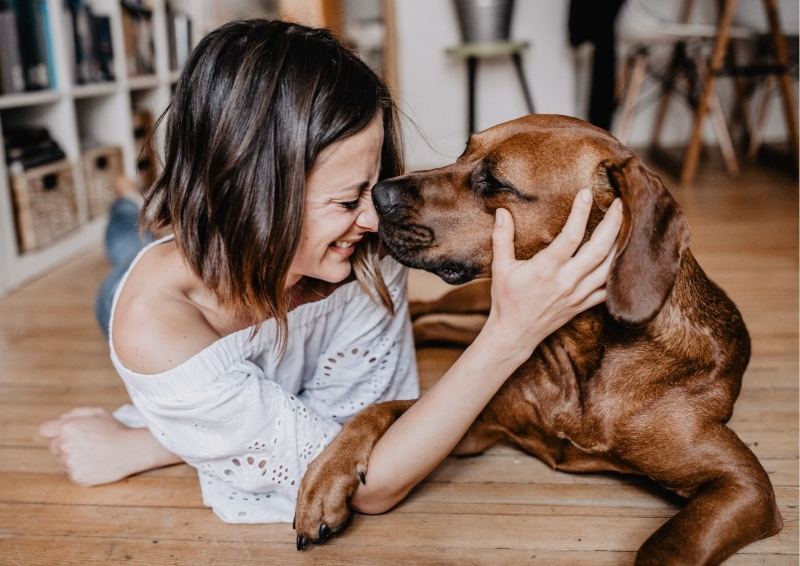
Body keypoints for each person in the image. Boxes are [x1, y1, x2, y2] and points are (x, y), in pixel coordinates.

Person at [39, 19, 622, 524]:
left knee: (154, 223)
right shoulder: (159, 332)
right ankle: (128, 205)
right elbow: (371, 487)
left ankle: (136, 204)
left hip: (229, 246)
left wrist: (152, 444)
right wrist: (510, 331)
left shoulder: (357, 245)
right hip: (163, 293)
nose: (375, 218)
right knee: (125, 251)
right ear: (248, 197)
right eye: (347, 201)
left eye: (371, 188)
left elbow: (347, 432)